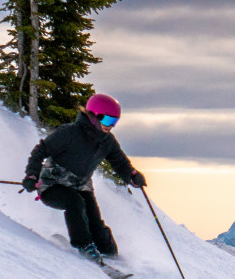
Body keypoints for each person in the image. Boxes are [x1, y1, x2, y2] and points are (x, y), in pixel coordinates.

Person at [22, 93, 146, 262]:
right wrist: (32, 175)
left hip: (81, 186)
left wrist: (132, 176)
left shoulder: (107, 141)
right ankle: (84, 245)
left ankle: (110, 254)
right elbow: (40, 151)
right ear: (94, 116)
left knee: (95, 222)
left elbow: (120, 162)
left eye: (114, 122)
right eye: (108, 121)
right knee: (75, 202)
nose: (110, 126)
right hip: (52, 186)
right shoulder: (69, 133)